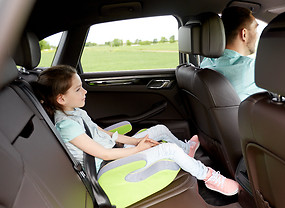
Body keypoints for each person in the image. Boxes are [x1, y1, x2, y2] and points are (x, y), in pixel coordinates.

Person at [34, 65, 240, 196]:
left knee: (158, 129)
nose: (85, 91)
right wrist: (138, 149)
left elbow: (101, 133)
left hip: (114, 152)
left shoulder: (75, 112)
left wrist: (136, 142)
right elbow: (103, 153)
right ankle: (209, 177)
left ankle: (185, 150)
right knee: (167, 151)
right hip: (105, 167)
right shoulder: (66, 125)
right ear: (61, 98)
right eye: (78, 89)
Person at [200, 6, 265, 101]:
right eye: (255, 29)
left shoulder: (206, 63)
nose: (257, 35)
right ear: (244, 34)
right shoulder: (251, 68)